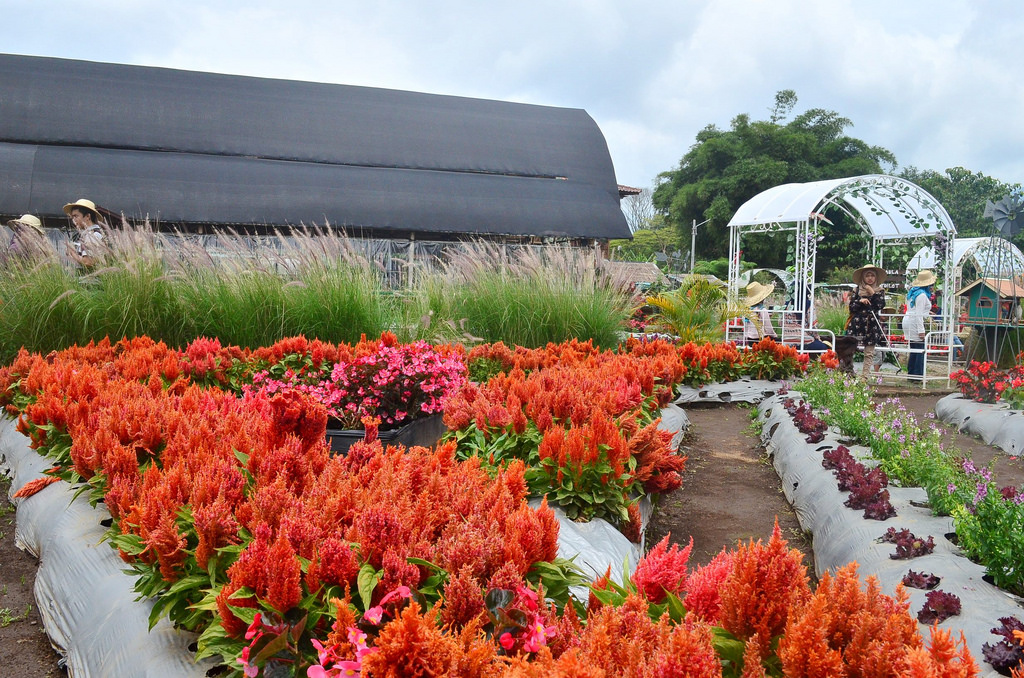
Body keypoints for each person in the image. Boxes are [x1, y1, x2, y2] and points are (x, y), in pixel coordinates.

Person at [847, 264, 887, 378]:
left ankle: (864, 376)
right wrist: (860, 301)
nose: (870, 278)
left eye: (872, 276)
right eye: (867, 276)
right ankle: (849, 373)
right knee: (850, 350)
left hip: (872, 324)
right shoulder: (856, 290)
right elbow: (851, 307)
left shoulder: (879, 291)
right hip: (857, 324)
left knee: (869, 352)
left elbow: (879, 305)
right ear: (863, 277)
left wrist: (872, 293)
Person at [902, 270, 935, 381]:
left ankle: (912, 374)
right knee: (920, 349)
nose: (932, 287)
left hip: (909, 319)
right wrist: (921, 331)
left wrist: (927, 312)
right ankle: (917, 376)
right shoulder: (921, 295)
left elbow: (915, 309)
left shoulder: (913, 292)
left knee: (914, 349)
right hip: (914, 322)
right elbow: (918, 314)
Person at [63, 198, 106, 268]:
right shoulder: (89, 234)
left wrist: (72, 252)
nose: (73, 220)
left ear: (87, 216)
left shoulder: (93, 235)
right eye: (72, 217)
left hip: (91, 278)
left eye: (76, 216)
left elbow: (88, 262)